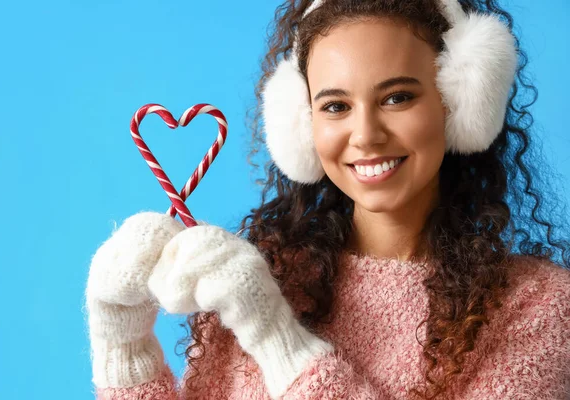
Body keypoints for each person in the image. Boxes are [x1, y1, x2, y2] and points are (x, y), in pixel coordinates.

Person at [84, 0, 570, 399]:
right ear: (302, 126)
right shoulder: (264, 283)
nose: (366, 135)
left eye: (397, 97)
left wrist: (281, 345)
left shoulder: (545, 310)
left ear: (459, 102)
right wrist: (123, 344)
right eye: (336, 106)